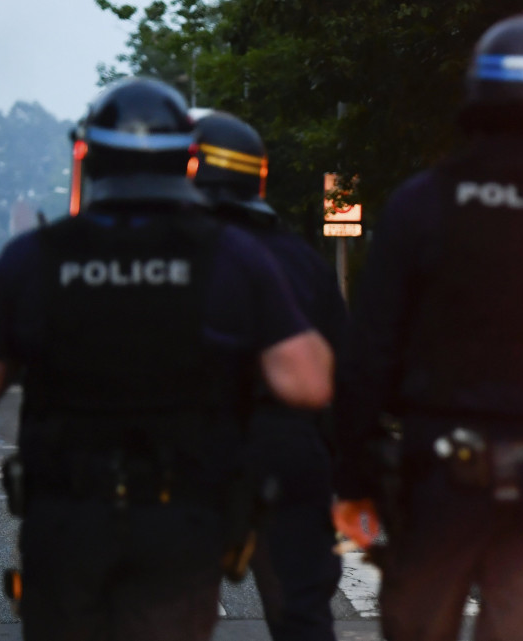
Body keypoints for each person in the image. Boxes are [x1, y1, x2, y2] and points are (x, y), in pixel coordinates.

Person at [332, 14, 523, 641]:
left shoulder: (422, 202)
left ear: (476, 92)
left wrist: (353, 476)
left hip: (437, 473)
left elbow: (369, 348)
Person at [0, 77, 333, 641]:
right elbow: (309, 382)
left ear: (90, 157)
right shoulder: (232, 253)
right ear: (186, 163)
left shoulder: (34, 258)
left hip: (65, 518)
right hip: (180, 520)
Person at [190, 111, 347, 641]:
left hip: (190, 458)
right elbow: (342, 373)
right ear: (256, 177)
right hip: (288, 458)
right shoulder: (300, 260)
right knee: (299, 613)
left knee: (170, 611)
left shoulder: (168, 255)